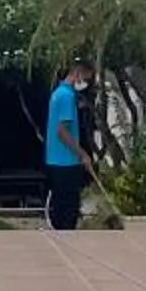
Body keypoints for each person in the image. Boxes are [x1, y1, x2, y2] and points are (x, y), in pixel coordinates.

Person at [43, 60, 93, 230]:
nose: (87, 83)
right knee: (68, 211)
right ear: (77, 72)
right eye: (86, 77)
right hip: (66, 162)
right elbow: (62, 132)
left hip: (56, 160)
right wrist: (82, 154)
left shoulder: (58, 93)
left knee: (61, 209)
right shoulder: (67, 96)